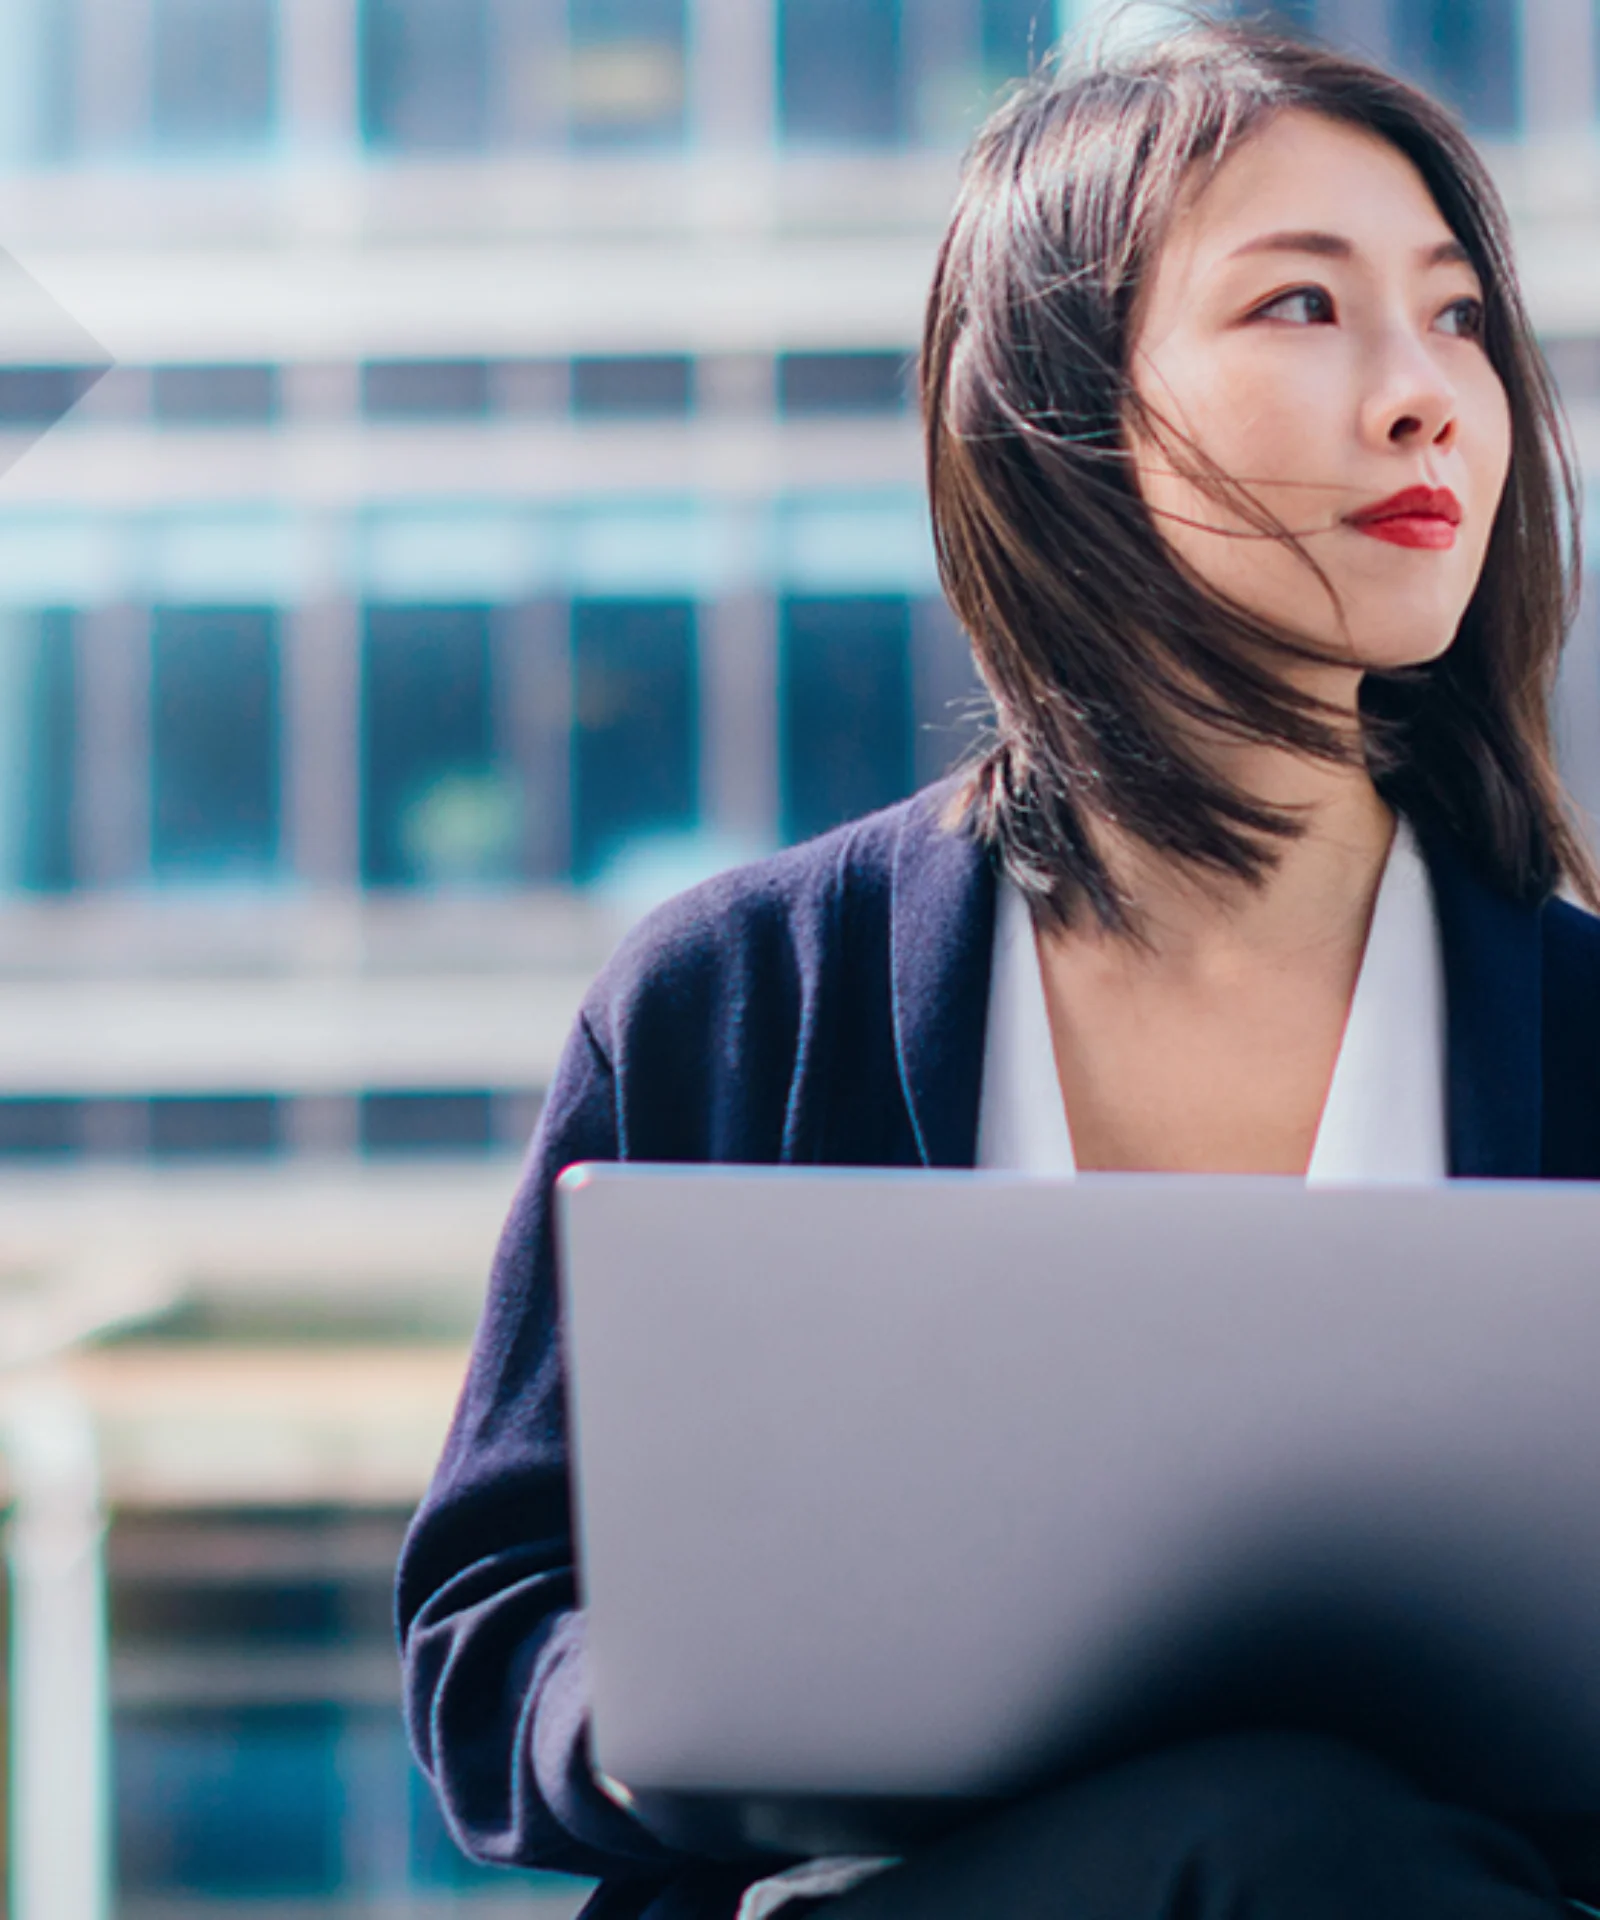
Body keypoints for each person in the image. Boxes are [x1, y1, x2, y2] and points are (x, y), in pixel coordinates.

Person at [397, 18, 1600, 1920]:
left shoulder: (1582, 1028)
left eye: (1459, 321)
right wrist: (695, 1706)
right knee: (1275, 1836)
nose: (1423, 396)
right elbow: (488, 1644)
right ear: (1062, 402)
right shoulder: (740, 996)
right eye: (1302, 305)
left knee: (1305, 1839)